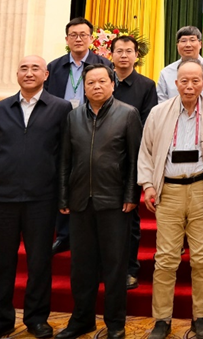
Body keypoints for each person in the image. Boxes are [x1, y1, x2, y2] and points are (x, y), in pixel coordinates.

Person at [0, 56, 71, 339]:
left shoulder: (60, 108)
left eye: (35, 68)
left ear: (46, 74)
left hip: (43, 199)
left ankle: (37, 319)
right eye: (24, 68)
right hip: (3, 198)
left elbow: (66, 156)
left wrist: (64, 196)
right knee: (1, 263)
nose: (29, 73)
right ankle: (0, 320)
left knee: (39, 262)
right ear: (17, 74)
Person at [138, 58, 203, 339]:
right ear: (176, 83)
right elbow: (146, 152)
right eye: (184, 81)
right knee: (166, 258)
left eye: (195, 81)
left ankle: (200, 317)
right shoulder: (158, 113)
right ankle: (162, 319)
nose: (189, 86)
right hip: (168, 192)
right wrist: (148, 185)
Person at [57, 64, 143, 339]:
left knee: (115, 266)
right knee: (81, 266)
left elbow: (135, 160)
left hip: (115, 202)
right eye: (90, 82)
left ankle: (115, 323)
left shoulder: (128, 114)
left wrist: (131, 195)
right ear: (84, 87)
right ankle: (82, 319)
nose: (96, 86)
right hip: (80, 201)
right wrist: (64, 195)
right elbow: (65, 161)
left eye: (102, 81)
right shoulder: (73, 117)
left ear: (112, 84)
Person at [45, 17, 113, 255]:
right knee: (62, 178)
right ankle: (63, 234)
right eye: (73, 35)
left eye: (83, 35)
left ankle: (88, 234)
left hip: (92, 130)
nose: (78, 39)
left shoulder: (104, 65)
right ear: (66, 39)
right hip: (60, 129)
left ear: (91, 38)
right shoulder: (54, 67)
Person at [110, 34, 158, 291]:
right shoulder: (102, 80)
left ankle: (130, 269)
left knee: (130, 218)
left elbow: (148, 122)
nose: (124, 55)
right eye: (119, 51)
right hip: (102, 160)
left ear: (136, 55)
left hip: (131, 158)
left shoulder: (146, 85)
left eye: (129, 51)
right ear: (111, 54)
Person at [156, 25, 203, 103]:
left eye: (192, 40)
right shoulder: (166, 72)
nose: (188, 45)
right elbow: (162, 103)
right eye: (183, 41)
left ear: (200, 44)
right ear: (177, 45)